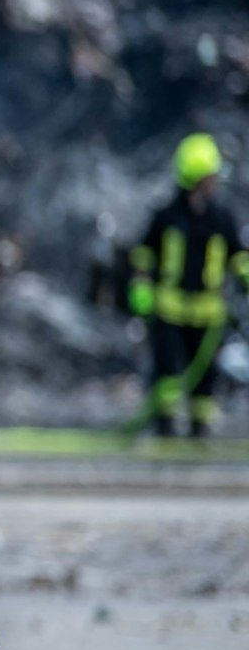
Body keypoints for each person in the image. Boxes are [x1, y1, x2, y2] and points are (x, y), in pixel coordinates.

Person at [127, 132, 249, 437]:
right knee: (167, 376)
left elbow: (238, 257)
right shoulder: (167, 217)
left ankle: (199, 433)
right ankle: (165, 429)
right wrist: (141, 288)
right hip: (169, 311)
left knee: (204, 382)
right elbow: (144, 254)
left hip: (208, 316)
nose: (213, 182)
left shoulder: (222, 219)